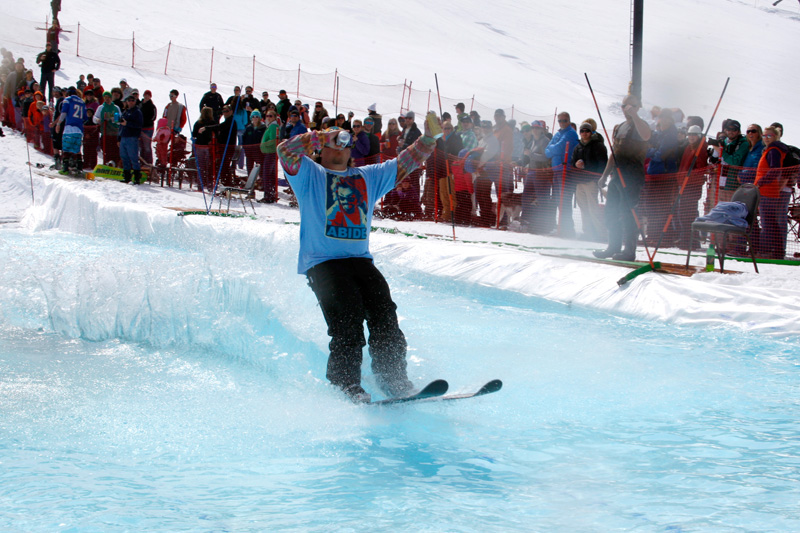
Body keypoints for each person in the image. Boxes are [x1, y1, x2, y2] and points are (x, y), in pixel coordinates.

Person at [276, 121, 438, 403]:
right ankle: (346, 383)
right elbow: (285, 151)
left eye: (345, 141)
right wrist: (319, 135)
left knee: (385, 317)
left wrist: (429, 139)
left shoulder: (368, 177)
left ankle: (393, 378)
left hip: (360, 261)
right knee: (347, 322)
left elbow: (405, 163)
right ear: (321, 148)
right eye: (334, 141)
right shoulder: (309, 174)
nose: (340, 146)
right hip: (323, 262)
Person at [594, 94, 651, 261]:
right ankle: (613, 247)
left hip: (632, 175)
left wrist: (635, 115)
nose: (627, 109)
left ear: (637, 106)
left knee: (628, 213)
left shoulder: (641, 124)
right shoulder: (620, 127)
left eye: (631, 106)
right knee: (611, 212)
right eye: (624, 106)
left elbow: (647, 136)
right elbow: (614, 153)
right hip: (617, 175)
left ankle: (629, 251)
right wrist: (605, 175)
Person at [754, 126, 791, 259]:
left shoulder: (773, 150)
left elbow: (775, 170)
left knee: (767, 222)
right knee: (771, 221)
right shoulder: (771, 150)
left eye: (769, 136)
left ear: (776, 137)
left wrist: (761, 182)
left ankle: (768, 250)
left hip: (767, 190)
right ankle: (777, 250)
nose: (766, 138)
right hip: (768, 190)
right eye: (764, 136)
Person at [545, 112, 580, 237]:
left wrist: (552, 151)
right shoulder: (559, 133)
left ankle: (568, 229)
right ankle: (563, 227)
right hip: (557, 170)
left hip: (566, 171)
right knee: (558, 199)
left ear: (569, 121)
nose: (562, 123)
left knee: (564, 200)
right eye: (560, 121)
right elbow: (547, 150)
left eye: (564, 120)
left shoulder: (571, 133)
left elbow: (559, 148)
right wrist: (552, 151)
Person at [571, 121, 608, 241]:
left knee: (593, 209)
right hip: (580, 182)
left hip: (591, 181)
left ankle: (601, 234)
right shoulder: (578, 147)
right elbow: (572, 162)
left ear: (591, 132)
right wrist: (576, 164)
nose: (584, 133)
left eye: (587, 131)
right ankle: (587, 232)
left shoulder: (598, 146)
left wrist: (587, 168)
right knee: (583, 208)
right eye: (582, 131)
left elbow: (602, 164)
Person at [675, 125, 709, 249]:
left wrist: (698, 157)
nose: (691, 137)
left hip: (692, 184)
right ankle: (687, 239)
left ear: (699, 136)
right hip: (684, 182)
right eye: (689, 134)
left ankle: (691, 241)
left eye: (694, 135)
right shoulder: (688, 147)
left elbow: (701, 166)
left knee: (688, 213)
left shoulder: (701, 148)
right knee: (683, 213)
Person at [119, 94, 144, 184]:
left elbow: (139, 125)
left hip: (132, 137)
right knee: (124, 157)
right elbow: (121, 125)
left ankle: (137, 177)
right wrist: (119, 138)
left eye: (132, 100)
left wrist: (128, 123)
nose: (130, 102)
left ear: (135, 101)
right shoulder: (125, 111)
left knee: (133, 157)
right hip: (124, 137)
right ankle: (127, 177)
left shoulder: (137, 112)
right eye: (129, 100)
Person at [259, 109, 280, 202]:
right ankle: (270, 194)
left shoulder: (273, 127)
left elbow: (273, 140)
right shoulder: (271, 126)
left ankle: (268, 195)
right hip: (270, 153)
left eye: (271, 116)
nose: (268, 118)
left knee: (267, 174)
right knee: (270, 174)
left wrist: (263, 145)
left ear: (275, 117)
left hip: (270, 153)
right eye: (267, 116)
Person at [139, 90, 157, 166]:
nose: (146, 97)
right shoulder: (140, 104)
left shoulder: (152, 106)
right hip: (140, 128)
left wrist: (145, 121)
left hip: (148, 129)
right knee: (141, 146)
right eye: (145, 95)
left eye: (148, 95)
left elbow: (153, 117)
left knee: (147, 146)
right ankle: (142, 162)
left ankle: (149, 163)